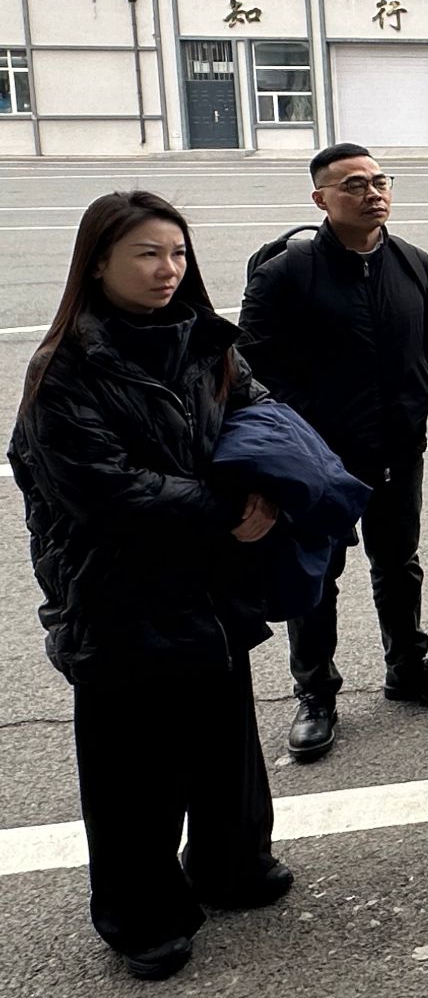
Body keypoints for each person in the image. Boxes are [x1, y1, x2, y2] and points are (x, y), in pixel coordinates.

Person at [9, 192, 291, 980]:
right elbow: (104, 489)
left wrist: (272, 487)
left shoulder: (206, 341)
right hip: (115, 596)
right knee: (132, 771)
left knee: (224, 742)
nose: (167, 269)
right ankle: (141, 915)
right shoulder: (65, 368)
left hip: (208, 586)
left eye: (177, 253)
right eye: (146, 254)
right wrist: (226, 510)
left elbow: (260, 411)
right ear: (98, 263)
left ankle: (230, 864)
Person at [240, 144, 428, 762]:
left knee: (398, 562)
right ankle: (316, 693)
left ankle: (408, 666)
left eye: (379, 181)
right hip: (321, 458)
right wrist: (305, 432)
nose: (372, 193)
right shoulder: (286, 273)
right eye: (353, 185)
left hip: (399, 445)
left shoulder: (412, 261)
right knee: (318, 575)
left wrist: (423, 392)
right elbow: (252, 365)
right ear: (320, 199)